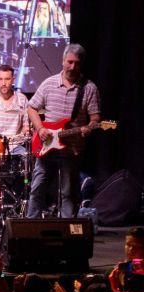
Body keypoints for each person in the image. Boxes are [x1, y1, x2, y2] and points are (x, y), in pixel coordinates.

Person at [25, 43, 100, 219]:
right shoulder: (49, 83)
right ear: (62, 61)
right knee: (37, 190)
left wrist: (89, 128)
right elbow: (31, 108)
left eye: (77, 63)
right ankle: (29, 227)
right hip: (47, 146)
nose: (72, 67)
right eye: (70, 62)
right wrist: (41, 128)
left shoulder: (89, 88)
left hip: (71, 150)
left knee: (69, 193)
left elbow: (96, 119)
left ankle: (68, 231)